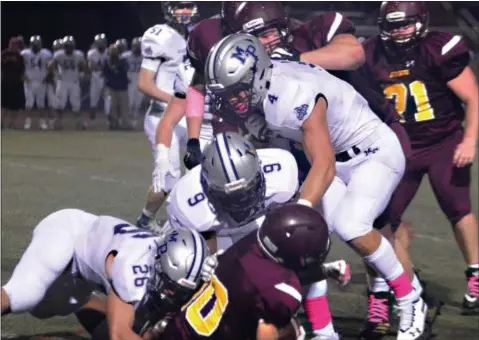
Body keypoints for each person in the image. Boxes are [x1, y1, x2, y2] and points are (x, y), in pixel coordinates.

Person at [205, 33, 428, 340]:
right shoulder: (264, 89)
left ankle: (409, 298)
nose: (232, 100)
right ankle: (324, 331)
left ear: (256, 76)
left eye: (236, 91)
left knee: (350, 226)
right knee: (302, 246)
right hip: (334, 159)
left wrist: (301, 207)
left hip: (372, 151)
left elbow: (323, 164)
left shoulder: (293, 93)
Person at [362, 1, 479, 322]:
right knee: (382, 218)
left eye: (406, 24)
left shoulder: (437, 48)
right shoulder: (372, 54)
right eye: (394, 24)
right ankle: (395, 281)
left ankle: (475, 272)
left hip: (443, 142)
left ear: (421, 22)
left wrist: (469, 140)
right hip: (399, 147)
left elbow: (472, 97)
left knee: (458, 209)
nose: (400, 30)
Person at [182, 1, 366, 170]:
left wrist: (293, 60)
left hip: (341, 138)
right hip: (271, 144)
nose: (269, 42)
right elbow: (200, 88)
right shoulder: (215, 41)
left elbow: (353, 54)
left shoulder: (307, 35)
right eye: (258, 36)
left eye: (271, 32)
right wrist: (194, 141)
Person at [1, 209, 211, 340]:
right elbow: (119, 334)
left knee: (55, 307)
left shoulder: (190, 271)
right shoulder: (133, 266)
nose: (172, 294)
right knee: (25, 295)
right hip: (67, 234)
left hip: (90, 268)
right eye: (171, 286)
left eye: (180, 290)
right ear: (158, 265)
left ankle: (82, 301)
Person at [160, 203, 331, 340]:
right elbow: (266, 328)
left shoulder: (249, 245)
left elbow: (259, 281)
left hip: (178, 329)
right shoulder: (281, 292)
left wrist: (324, 271)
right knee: (292, 329)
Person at [136, 1, 201, 230]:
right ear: (168, 9)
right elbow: (144, 83)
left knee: (202, 167)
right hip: (162, 116)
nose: (184, 12)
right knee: (168, 177)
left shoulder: (196, 34)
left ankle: (192, 221)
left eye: (188, 6)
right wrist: (177, 101)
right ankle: (145, 219)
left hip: (189, 115)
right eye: (179, 6)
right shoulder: (160, 36)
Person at [47, 36, 87, 130]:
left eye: (70, 46)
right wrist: (54, 73)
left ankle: (79, 123)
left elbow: (83, 66)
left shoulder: (78, 55)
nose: (68, 48)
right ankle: (57, 123)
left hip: (74, 82)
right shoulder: (59, 54)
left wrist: (82, 74)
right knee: (60, 104)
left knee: (76, 105)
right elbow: (50, 66)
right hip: (63, 82)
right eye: (67, 46)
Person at [21, 35, 52, 130]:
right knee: (29, 103)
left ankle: (42, 122)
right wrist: (24, 77)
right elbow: (20, 67)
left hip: (41, 81)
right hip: (29, 81)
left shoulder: (46, 53)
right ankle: (27, 122)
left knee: (41, 103)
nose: (36, 46)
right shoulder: (25, 53)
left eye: (37, 44)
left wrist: (47, 77)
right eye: (35, 44)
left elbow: (50, 67)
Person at [103, 44, 130, 130]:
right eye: (112, 51)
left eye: (115, 51)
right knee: (112, 108)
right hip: (111, 87)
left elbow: (126, 68)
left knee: (124, 108)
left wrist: (116, 66)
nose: (113, 53)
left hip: (122, 87)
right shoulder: (106, 61)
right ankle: (114, 124)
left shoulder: (123, 60)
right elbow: (105, 73)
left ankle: (125, 124)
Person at [1, 37, 25, 129]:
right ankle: (1, 123)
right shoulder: (4, 54)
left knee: (14, 107)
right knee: (3, 105)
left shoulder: (19, 56)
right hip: (5, 82)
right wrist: (6, 61)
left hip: (16, 83)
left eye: (15, 45)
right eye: (11, 44)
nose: (13, 46)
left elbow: (22, 69)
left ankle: (12, 124)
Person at [121, 37, 144, 125]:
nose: (137, 49)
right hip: (130, 80)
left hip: (140, 80)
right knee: (129, 103)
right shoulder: (125, 56)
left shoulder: (145, 56)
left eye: (139, 46)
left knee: (137, 104)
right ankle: (126, 122)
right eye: (136, 46)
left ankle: (134, 123)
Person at [87, 33, 108, 127]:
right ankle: (92, 122)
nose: (101, 45)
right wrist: (104, 69)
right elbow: (91, 66)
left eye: (102, 42)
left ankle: (110, 121)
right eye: (100, 43)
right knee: (93, 101)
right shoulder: (92, 53)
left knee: (108, 102)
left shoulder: (109, 52)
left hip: (106, 79)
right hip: (95, 79)